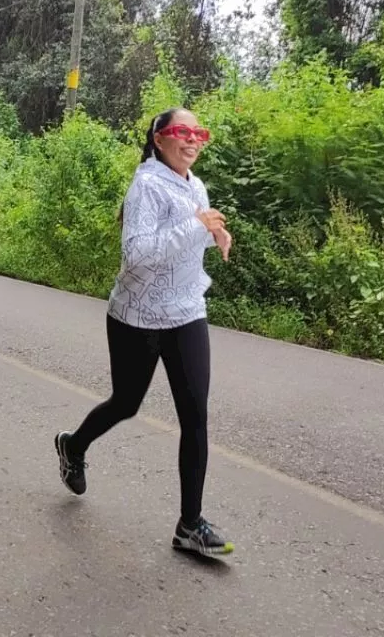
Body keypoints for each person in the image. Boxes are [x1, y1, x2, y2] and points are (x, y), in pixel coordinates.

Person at [52, 107, 235, 558]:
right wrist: (197, 226)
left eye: (199, 133)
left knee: (195, 416)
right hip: (137, 316)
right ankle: (73, 446)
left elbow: (189, 239)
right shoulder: (146, 186)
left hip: (187, 311)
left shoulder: (196, 185)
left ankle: (189, 525)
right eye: (181, 132)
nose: (192, 140)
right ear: (159, 139)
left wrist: (215, 235)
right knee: (126, 403)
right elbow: (138, 253)